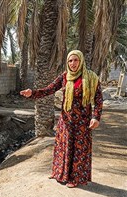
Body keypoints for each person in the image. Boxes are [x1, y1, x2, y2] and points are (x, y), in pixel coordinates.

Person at [20, 50, 103, 188]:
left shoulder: (91, 78)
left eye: (76, 60)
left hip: (82, 122)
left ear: (81, 61)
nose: (73, 63)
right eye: (70, 61)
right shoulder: (65, 77)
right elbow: (50, 89)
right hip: (66, 120)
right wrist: (32, 93)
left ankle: (76, 178)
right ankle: (60, 173)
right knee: (63, 147)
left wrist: (96, 117)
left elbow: (98, 99)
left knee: (79, 150)